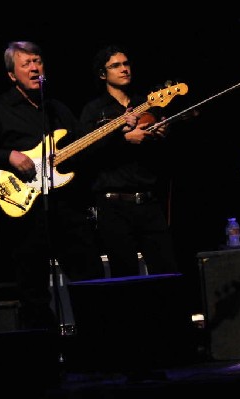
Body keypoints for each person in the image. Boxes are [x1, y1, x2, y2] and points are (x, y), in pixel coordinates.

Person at [0, 41, 109, 331]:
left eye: (38, 61)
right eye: (26, 64)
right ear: (12, 75)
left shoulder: (56, 108)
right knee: (33, 293)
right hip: (27, 214)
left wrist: (116, 131)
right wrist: (8, 156)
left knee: (90, 280)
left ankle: (98, 352)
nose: (34, 68)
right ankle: (42, 362)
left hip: (66, 208)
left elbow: (84, 147)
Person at [78, 44, 179, 278]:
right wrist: (123, 139)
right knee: (125, 275)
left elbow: (164, 155)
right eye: (115, 66)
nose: (124, 69)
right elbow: (85, 152)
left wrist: (162, 133)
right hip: (113, 205)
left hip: (148, 200)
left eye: (126, 64)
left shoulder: (147, 102)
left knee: (166, 271)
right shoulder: (93, 110)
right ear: (103, 74)